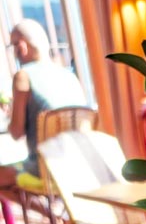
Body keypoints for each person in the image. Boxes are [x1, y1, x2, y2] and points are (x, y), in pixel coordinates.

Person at [0, 19, 86, 187]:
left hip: (47, 168)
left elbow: (17, 133)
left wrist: (10, 114)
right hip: (80, 163)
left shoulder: (23, 76)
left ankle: (48, 211)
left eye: (13, 46)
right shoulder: (69, 76)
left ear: (22, 45)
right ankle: (54, 212)